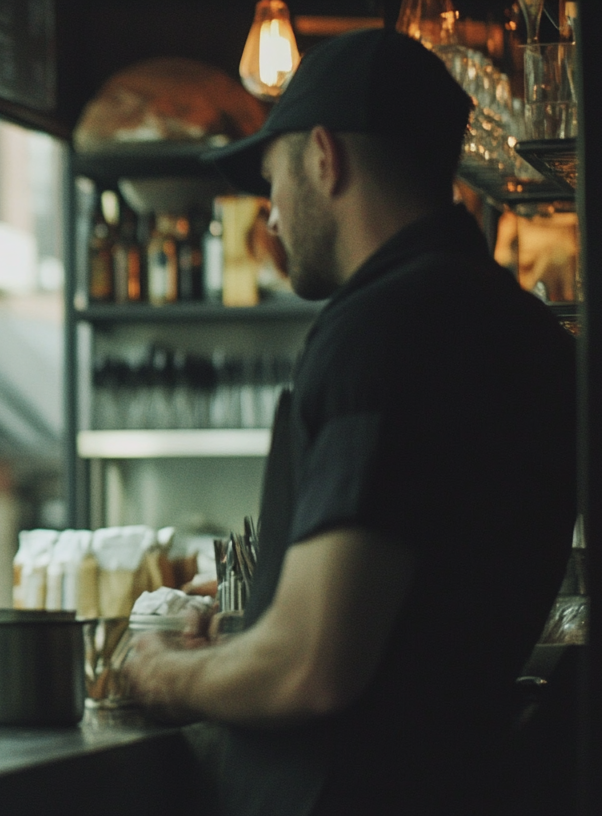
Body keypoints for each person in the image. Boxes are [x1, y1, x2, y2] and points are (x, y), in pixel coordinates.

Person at [122, 29, 576, 816]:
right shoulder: (525, 331)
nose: (269, 214)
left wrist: (167, 673)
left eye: (271, 178)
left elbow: (313, 666)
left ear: (324, 158)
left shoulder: (382, 328)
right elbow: (415, 627)